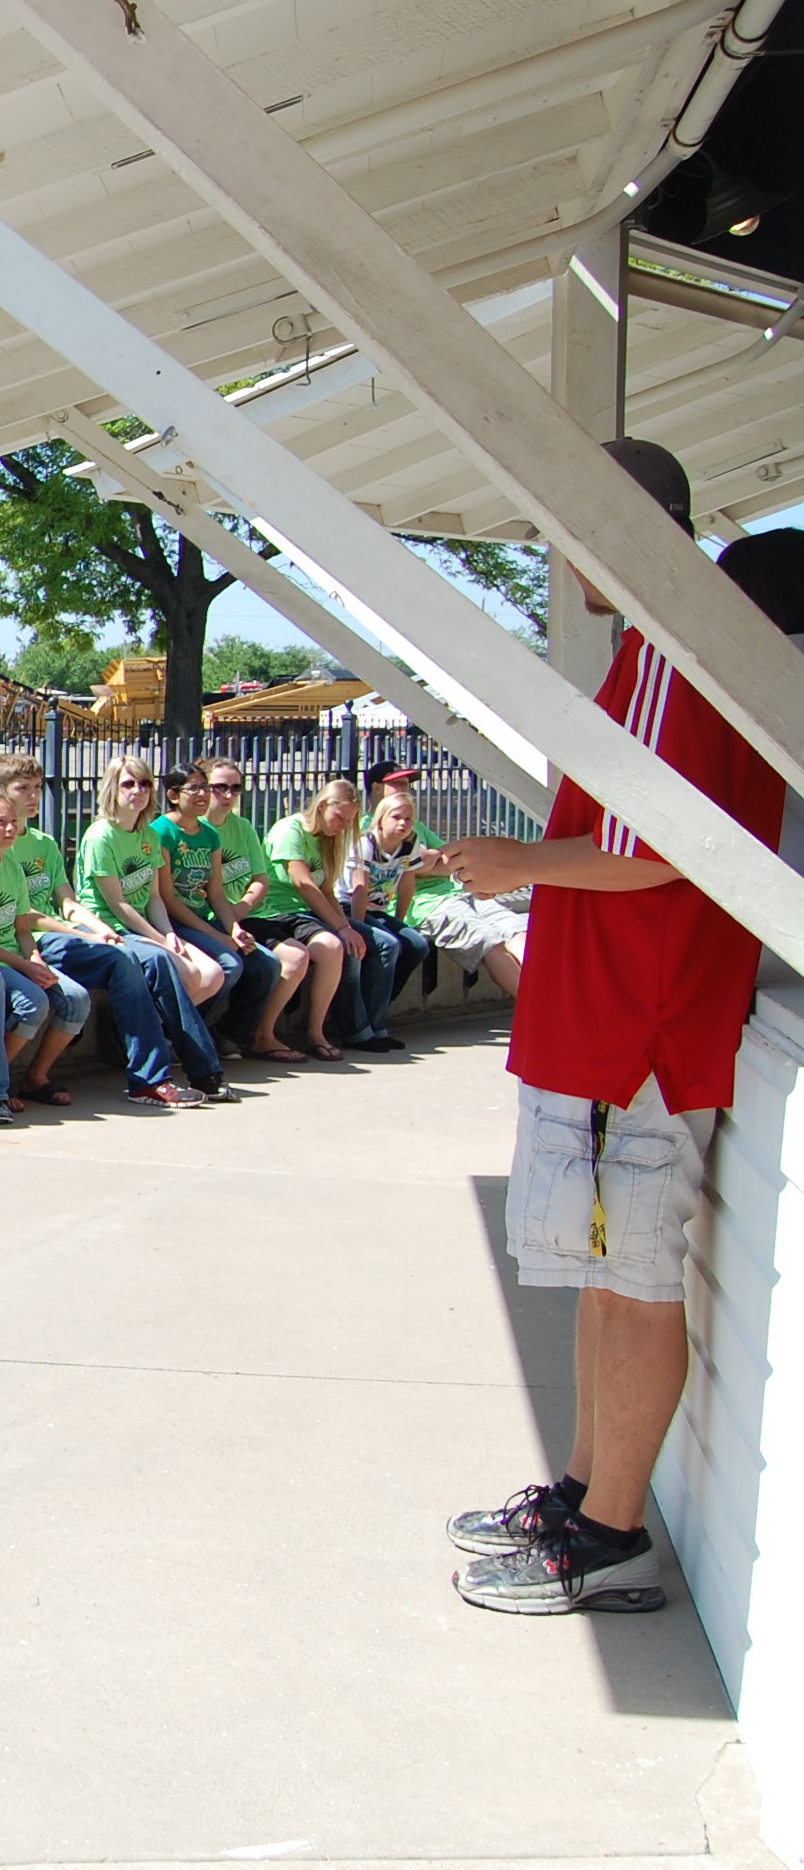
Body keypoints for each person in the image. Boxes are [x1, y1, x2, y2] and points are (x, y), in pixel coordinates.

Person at [433, 465, 803, 1616]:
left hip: (628, 1033)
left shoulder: (672, 654)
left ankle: (608, 1533)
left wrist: (515, 862)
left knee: (631, 1280)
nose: (560, 555)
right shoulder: (664, 650)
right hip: (615, 1029)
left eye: (564, 527)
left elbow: (663, 846)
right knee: (606, 1277)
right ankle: (582, 1494)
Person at [0, 753, 218, 1109]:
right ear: (0, 792)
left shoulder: (45, 844)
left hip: (62, 934)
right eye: (23, 789)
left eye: (37, 787)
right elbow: (24, 916)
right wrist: (86, 936)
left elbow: (67, 901)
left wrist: (101, 930)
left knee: (148, 959)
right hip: (29, 942)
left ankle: (205, 1072)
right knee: (124, 961)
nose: (34, 796)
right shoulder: (0, 845)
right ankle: (150, 1081)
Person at [0, 786, 91, 1118]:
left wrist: (35, 960)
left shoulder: (13, 866)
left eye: (14, 821)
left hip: (15, 956)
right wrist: (24, 966)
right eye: (1, 822)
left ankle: (34, 1077)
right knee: (33, 1002)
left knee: (76, 999)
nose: (11, 828)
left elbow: (22, 929)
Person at [253, 774, 394, 1057]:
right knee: (337, 945)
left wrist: (344, 927)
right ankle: (264, 1034)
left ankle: (318, 1032)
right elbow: (303, 883)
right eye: (340, 818)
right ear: (322, 806)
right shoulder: (290, 829)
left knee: (355, 945)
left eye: (349, 821)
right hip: (273, 912)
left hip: (305, 913)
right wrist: (341, 927)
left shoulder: (330, 840)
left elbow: (327, 890)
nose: (343, 826)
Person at [78, 755, 230, 1010]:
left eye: (145, 784)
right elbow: (118, 905)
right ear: (112, 788)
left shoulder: (149, 835)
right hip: (112, 926)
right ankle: (152, 1025)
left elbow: (154, 897)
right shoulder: (101, 836)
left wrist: (169, 933)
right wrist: (160, 939)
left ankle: (157, 1023)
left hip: (146, 925)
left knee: (214, 975)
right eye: (128, 784)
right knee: (189, 973)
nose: (138, 790)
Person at [205, 757, 323, 1062]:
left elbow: (260, 879)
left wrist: (241, 909)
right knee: (243, 965)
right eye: (220, 787)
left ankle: (240, 1035)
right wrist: (230, 921)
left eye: (235, 788)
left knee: (290, 958)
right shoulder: (196, 830)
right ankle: (194, 1035)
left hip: (245, 915)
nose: (228, 795)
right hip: (208, 919)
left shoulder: (243, 827)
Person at [154, 763, 276, 1050]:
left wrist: (234, 930)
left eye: (205, 787)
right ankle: (173, 1033)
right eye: (194, 788)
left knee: (266, 965)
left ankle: (219, 1035)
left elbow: (216, 893)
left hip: (202, 919)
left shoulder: (209, 834)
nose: (203, 794)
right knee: (229, 965)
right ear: (173, 795)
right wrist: (216, 936)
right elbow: (168, 898)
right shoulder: (161, 832)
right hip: (173, 921)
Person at [378, 780, 526, 996]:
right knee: (487, 941)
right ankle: (539, 1009)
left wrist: (427, 859)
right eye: (397, 783)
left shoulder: (414, 826)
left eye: (407, 784)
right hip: (426, 904)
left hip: (458, 892)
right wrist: (426, 860)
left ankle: (551, 998)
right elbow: (410, 866)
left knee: (515, 928)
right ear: (376, 787)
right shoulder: (369, 828)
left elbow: (448, 858)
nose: (405, 788)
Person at [349, 788, 438, 1009]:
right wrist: (359, 928)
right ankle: (369, 1016)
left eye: (408, 819)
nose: (403, 823)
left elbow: (407, 884)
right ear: (381, 819)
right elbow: (360, 888)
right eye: (396, 817)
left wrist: (400, 921)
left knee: (417, 946)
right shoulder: (366, 843)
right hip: (350, 908)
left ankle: (380, 1005)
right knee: (389, 944)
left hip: (378, 910)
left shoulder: (410, 842)